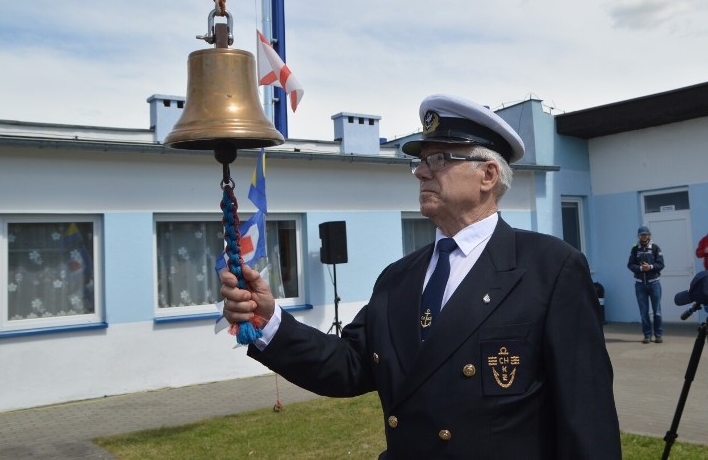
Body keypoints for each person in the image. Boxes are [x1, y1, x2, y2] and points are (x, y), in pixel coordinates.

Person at [220, 94, 621, 459]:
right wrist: (267, 318)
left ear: (488, 175)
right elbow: (349, 366)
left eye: (440, 159)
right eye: (421, 161)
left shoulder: (549, 268)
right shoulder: (398, 278)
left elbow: (586, 417)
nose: (421, 173)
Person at [627, 226, 665, 343]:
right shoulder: (635, 249)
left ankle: (658, 335)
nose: (644, 236)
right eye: (641, 235)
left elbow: (661, 264)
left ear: (649, 235)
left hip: (654, 283)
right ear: (638, 236)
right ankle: (647, 335)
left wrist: (650, 267)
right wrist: (640, 268)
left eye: (645, 234)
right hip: (640, 285)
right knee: (644, 312)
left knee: (657, 311)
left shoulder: (655, 248)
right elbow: (630, 265)